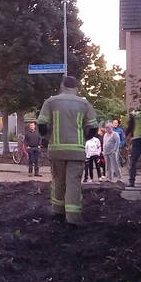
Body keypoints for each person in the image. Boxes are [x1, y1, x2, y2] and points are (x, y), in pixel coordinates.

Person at [36, 76, 99, 225]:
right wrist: (83, 139)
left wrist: (47, 137)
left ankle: (58, 212)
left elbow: (42, 124)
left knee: (58, 181)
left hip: (57, 150)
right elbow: (93, 127)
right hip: (76, 151)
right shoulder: (84, 104)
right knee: (73, 183)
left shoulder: (50, 102)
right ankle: (73, 217)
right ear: (76, 87)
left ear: (62, 86)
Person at [126, 109, 141, 188]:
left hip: (137, 140)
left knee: (133, 161)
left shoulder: (135, 115)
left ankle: (132, 181)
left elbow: (130, 125)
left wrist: (127, 135)